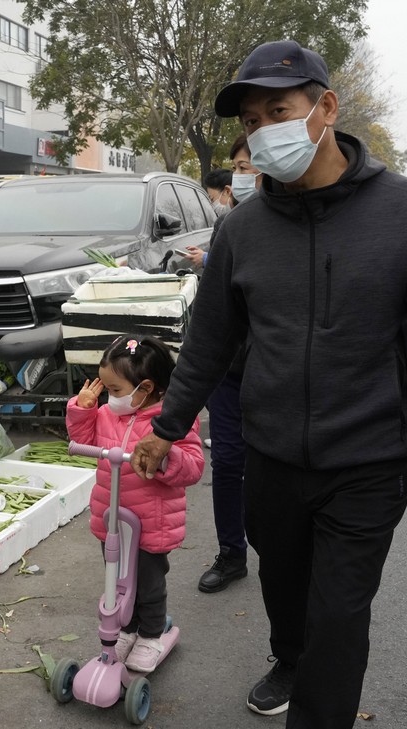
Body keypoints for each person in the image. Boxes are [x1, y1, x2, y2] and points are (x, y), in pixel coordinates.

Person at [130, 40, 407, 729]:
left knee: (339, 619)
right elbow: (211, 340)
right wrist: (167, 424)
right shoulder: (243, 231)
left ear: (325, 109)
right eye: (252, 122)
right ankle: (288, 655)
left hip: (367, 463)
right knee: (285, 587)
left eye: (277, 112)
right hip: (272, 456)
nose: (263, 133)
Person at [65, 336, 204, 673]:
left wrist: (166, 456)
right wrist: (82, 409)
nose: (109, 399)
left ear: (145, 388)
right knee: (116, 580)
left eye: (115, 391)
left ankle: (152, 633)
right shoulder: (107, 415)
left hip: (151, 522)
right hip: (111, 519)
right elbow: (82, 441)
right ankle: (127, 629)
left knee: (148, 584)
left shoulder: (170, 422)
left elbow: (193, 465)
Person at [179, 135, 262, 594]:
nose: (243, 177)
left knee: (272, 470)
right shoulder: (230, 224)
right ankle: (232, 554)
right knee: (228, 462)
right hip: (231, 371)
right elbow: (214, 316)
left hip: (278, 377)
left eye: (250, 167)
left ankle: (282, 549)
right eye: (239, 168)